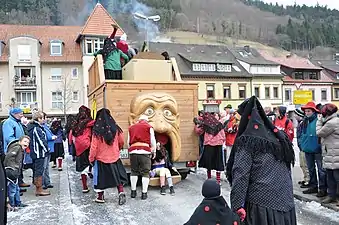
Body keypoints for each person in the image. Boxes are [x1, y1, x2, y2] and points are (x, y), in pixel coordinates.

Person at [227, 96, 296, 225]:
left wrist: (237, 206)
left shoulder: (248, 141)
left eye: (238, 119)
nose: (236, 123)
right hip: (285, 202)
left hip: (261, 206)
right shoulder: (278, 137)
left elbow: (241, 174)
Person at [89, 108, 128, 205]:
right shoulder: (115, 128)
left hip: (101, 158)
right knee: (117, 176)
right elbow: (121, 140)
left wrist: (91, 158)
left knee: (100, 179)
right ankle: (121, 191)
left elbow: (94, 147)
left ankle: (100, 197)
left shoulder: (97, 130)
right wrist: (117, 148)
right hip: (114, 157)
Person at [300, 101, 327, 197]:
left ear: (313, 111)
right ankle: (313, 186)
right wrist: (302, 144)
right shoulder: (305, 122)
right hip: (307, 149)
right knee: (311, 169)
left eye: (309, 111)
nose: (307, 113)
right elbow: (302, 134)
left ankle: (323, 189)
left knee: (321, 170)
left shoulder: (318, 121)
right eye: (306, 111)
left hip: (317, 149)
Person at [128, 115, 156, 200]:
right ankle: (144, 193)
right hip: (144, 152)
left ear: (139, 120)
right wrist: (153, 151)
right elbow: (152, 140)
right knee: (145, 172)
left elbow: (128, 142)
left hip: (133, 151)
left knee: (134, 171)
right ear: (146, 121)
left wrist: (131, 150)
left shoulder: (131, 127)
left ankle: (133, 192)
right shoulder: (149, 127)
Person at [316, 104, 339, 204]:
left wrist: (319, 121)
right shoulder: (333, 121)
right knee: (331, 176)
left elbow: (320, 133)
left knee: (335, 177)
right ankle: (332, 195)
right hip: (331, 153)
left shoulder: (331, 123)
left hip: (334, 153)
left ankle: (334, 196)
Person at [2, 108, 30, 190]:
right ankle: (14, 187)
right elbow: (8, 137)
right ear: (14, 114)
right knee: (13, 167)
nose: (22, 115)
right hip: (13, 149)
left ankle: (19, 183)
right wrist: (18, 144)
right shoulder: (8, 123)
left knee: (19, 166)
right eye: (20, 114)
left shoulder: (18, 122)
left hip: (19, 148)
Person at [194, 113, 225, 184]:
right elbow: (223, 135)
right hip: (218, 145)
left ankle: (209, 179)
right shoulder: (219, 124)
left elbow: (198, 132)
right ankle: (218, 180)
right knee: (218, 162)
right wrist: (220, 140)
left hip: (209, 145)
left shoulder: (205, 125)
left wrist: (196, 125)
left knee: (209, 163)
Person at [72, 106, 95, 193]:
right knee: (90, 162)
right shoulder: (89, 122)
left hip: (78, 146)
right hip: (87, 145)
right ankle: (91, 180)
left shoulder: (76, 122)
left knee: (83, 165)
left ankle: (84, 186)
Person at [27, 111, 50, 196]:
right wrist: (46, 149)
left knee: (37, 170)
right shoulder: (36, 128)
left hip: (36, 152)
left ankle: (38, 187)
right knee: (39, 171)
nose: (44, 119)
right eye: (42, 118)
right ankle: (39, 189)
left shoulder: (33, 126)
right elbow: (41, 140)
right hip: (38, 153)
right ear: (39, 119)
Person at [4, 135, 30, 208]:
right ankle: (12, 205)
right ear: (20, 141)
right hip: (12, 171)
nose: (26, 143)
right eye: (25, 141)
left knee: (16, 188)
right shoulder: (17, 147)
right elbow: (9, 157)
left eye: (28, 142)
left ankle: (18, 202)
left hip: (15, 172)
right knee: (12, 189)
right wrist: (14, 167)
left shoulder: (21, 149)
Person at [294, 108, 309, 188]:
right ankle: (305, 178)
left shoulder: (303, 123)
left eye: (296, 114)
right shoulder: (300, 123)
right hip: (301, 146)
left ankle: (308, 180)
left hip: (303, 147)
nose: (294, 116)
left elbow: (303, 135)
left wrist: (302, 145)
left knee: (305, 164)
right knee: (302, 164)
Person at [41, 113, 55, 189]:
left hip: (48, 149)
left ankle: (47, 182)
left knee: (46, 167)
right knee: (44, 167)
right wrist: (52, 137)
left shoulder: (45, 126)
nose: (46, 119)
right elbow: (48, 136)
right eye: (45, 117)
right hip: (45, 149)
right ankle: (43, 183)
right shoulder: (42, 127)